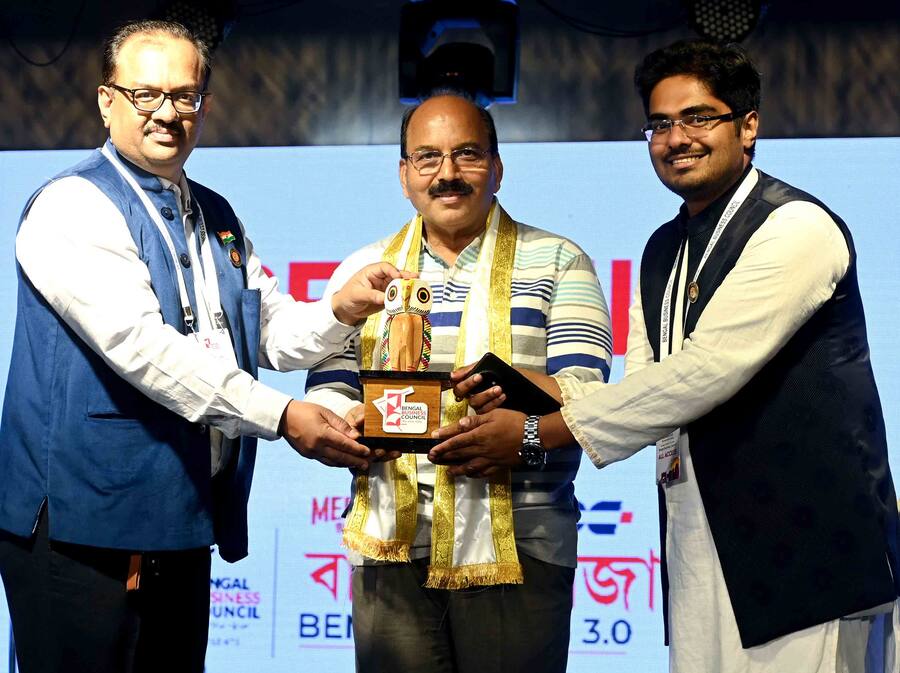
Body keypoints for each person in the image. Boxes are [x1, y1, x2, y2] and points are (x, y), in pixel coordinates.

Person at [432, 40, 900, 672]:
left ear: (749, 125)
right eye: (659, 123)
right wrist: (523, 392)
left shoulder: (797, 227)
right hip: (701, 539)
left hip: (808, 545)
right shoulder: (663, 248)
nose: (678, 137)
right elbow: (645, 386)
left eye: (700, 117)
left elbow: (708, 369)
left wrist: (540, 432)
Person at [0, 19, 405, 673]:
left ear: (205, 106)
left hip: (180, 519)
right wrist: (282, 416)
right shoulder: (70, 207)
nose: (167, 112)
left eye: (185, 96)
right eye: (146, 94)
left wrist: (340, 308)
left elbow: (268, 328)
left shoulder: (216, 216)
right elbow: (144, 349)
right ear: (108, 101)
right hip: (82, 525)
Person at [303, 92, 611, 673]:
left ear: (497, 168)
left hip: (521, 543)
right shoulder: (366, 270)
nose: (447, 174)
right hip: (389, 544)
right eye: (427, 158)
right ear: (404, 175)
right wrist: (341, 420)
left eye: (466, 155)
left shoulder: (560, 260)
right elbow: (331, 382)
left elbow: (589, 393)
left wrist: (517, 408)